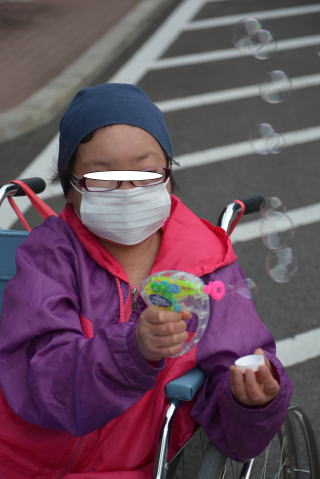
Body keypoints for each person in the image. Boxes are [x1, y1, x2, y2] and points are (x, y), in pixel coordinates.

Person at [0, 83, 292, 478]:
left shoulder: (208, 262)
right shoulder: (47, 257)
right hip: (18, 457)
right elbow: (42, 379)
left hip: (130, 468)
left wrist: (253, 401)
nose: (127, 190)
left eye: (145, 173)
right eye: (102, 177)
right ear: (70, 188)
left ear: (168, 176)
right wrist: (132, 349)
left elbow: (235, 412)